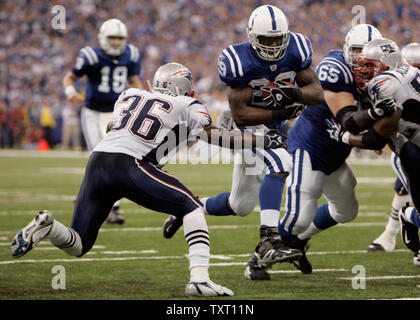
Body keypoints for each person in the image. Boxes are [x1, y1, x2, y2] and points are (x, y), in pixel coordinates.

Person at [10, 62, 287, 296]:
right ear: (186, 88)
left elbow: (113, 127)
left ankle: (48, 228)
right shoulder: (188, 103)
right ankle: (199, 279)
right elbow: (212, 135)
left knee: (79, 244)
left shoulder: (130, 94)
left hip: (98, 161)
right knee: (191, 206)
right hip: (129, 164)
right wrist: (262, 140)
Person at [163, 4, 324, 280]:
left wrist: (293, 94)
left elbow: (317, 93)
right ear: (252, 36)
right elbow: (241, 114)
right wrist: (280, 110)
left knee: (240, 205)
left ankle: (187, 206)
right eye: (266, 40)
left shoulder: (297, 49)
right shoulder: (239, 62)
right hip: (246, 131)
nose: (273, 46)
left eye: (278, 39)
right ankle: (268, 239)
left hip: (273, 126)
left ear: (287, 36)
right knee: (281, 161)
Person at [240, 24, 383, 280]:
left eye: (368, 53)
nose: (362, 59)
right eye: (357, 51)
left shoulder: (382, 76)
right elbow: (348, 119)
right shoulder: (335, 69)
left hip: (335, 154)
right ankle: (258, 257)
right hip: (310, 146)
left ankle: (297, 241)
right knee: (299, 216)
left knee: (346, 211)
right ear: (347, 50)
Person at [327, 38, 420, 267]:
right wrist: (372, 114)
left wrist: (344, 137)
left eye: (369, 65)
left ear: (387, 63)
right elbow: (376, 134)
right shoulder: (401, 73)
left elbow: (374, 139)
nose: (361, 71)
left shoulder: (385, 83)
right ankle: (408, 218)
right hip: (413, 148)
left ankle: (408, 216)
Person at [62, 18, 142, 225]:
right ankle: (104, 205)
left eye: (119, 38)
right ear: (103, 39)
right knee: (98, 157)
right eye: (112, 38)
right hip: (93, 112)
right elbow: (69, 77)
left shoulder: (131, 54)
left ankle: (104, 204)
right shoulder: (90, 55)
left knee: (116, 158)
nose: (116, 42)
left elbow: (133, 80)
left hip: (116, 113)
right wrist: (70, 92)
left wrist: (144, 97)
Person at [366, 42, 420, 252]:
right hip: (410, 147)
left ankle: (406, 219)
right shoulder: (389, 85)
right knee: (404, 186)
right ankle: (393, 231)